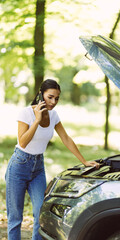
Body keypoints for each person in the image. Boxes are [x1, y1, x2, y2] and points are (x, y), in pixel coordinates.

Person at [5, 79, 100, 240]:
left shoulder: (54, 115)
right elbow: (23, 141)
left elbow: (66, 138)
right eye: (50, 97)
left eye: (57, 98)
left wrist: (84, 161)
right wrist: (36, 120)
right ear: (41, 94)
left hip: (37, 168)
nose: (53, 102)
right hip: (19, 166)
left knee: (41, 214)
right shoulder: (26, 113)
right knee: (15, 217)